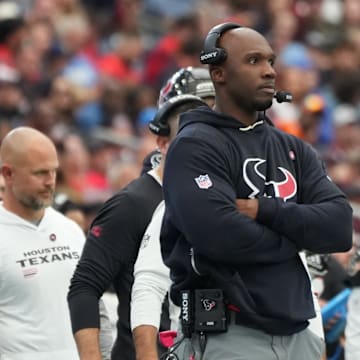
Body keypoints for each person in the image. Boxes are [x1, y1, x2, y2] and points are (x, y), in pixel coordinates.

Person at [159, 23, 353, 360]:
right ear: (218, 73)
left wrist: (267, 212)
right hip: (230, 336)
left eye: (270, 61)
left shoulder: (294, 148)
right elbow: (221, 236)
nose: (269, 72)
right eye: (253, 61)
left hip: (299, 337)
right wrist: (299, 238)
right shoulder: (193, 147)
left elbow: (338, 227)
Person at [67, 91, 211, 359]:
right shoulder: (131, 204)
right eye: (187, 139)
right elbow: (84, 287)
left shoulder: (212, 198)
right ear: (163, 143)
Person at [0, 127, 86, 359]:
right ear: (8, 174)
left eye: (54, 172)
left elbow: (95, 309)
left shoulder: (70, 230)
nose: (51, 182)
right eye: (40, 173)